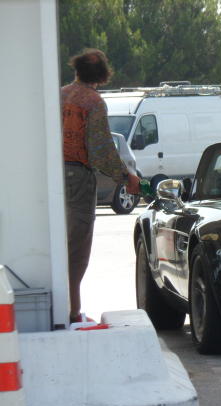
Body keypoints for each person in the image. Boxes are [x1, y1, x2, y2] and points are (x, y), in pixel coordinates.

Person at [61, 48, 140, 326]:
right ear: (103, 76)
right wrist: (126, 176)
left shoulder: (57, 96)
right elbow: (101, 150)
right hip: (77, 177)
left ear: (76, 69)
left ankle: (65, 307)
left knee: (57, 244)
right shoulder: (93, 102)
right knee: (77, 247)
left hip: (50, 176)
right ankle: (72, 311)